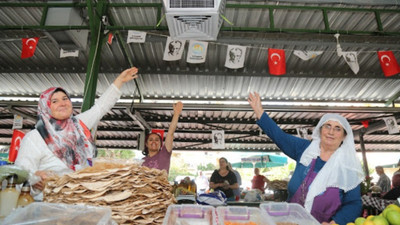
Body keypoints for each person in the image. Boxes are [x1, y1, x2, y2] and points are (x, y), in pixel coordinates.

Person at [15, 67, 139, 193]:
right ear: (45, 107)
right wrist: (34, 179)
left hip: (82, 199)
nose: (62, 103)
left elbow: (101, 107)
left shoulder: (78, 125)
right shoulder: (35, 138)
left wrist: (120, 81)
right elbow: (20, 174)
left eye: (65, 99)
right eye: (54, 101)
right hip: (48, 204)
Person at [248, 92, 364, 225]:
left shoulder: (348, 166)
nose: (331, 132)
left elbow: (353, 204)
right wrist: (259, 112)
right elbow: (280, 137)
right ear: (321, 130)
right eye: (328, 126)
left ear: (344, 136)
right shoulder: (305, 149)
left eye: (338, 129)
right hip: (291, 222)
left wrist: (335, 222)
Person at [141, 101, 183, 173]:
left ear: (161, 144)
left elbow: (170, 134)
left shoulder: (164, 154)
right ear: (146, 144)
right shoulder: (142, 162)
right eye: (151, 140)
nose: (154, 142)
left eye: (157, 140)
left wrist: (176, 114)